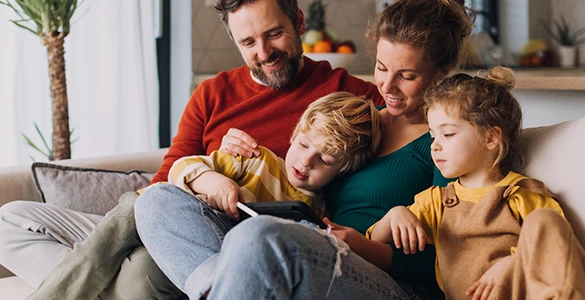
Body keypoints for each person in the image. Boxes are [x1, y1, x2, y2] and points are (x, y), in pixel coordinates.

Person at [0, 0, 382, 297]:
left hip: (217, 241)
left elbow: (377, 175)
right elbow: (165, 178)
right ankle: (102, 275)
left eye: (274, 34)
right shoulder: (212, 93)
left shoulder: (350, 97)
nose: (264, 52)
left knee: (143, 270)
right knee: (10, 219)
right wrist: (209, 172)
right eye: (248, 42)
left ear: (298, 22)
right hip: (165, 210)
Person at [135, 0, 473, 299]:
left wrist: (367, 247)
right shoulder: (359, 119)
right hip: (313, 253)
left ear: (441, 73)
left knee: (260, 235)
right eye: (381, 69)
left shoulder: (448, 142)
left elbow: (459, 259)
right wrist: (223, 164)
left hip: (387, 279)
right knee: (156, 201)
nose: (387, 86)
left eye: (407, 76)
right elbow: (299, 172)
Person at [367, 67, 585, 300]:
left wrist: (513, 263)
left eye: (447, 134)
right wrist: (396, 214)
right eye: (432, 136)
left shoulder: (523, 195)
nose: (435, 146)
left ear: (490, 138)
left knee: (545, 220)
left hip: (522, 293)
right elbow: (375, 239)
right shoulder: (436, 201)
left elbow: (558, 254)